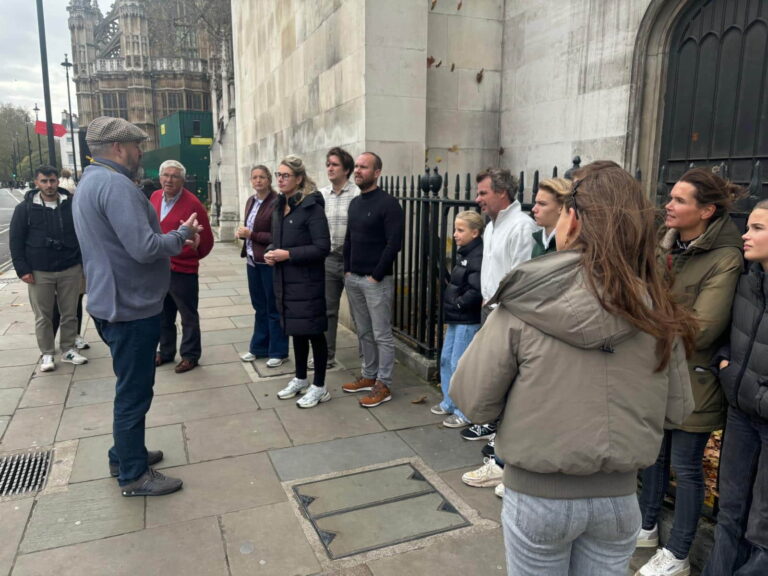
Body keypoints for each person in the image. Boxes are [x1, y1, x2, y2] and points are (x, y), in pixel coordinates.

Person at [450, 161, 696, 576]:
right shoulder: (656, 309)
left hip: (538, 495)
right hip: (618, 498)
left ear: (574, 219)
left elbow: (473, 399)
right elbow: (677, 410)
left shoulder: (526, 301)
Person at [73, 116, 201, 497]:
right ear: (117, 149)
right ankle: (133, 474)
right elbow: (145, 248)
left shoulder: (90, 181)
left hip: (111, 302)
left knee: (129, 387)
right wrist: (181, 235)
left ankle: (124, 454)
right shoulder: (116, 186)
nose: (139, 151)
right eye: (135, 145)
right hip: (130, 307)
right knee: (134, 393)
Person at [637, 168, 744, 576]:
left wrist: (648, 320)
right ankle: (646, 528)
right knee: (653, 457)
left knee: (685, 466)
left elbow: (701, 328)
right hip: (660, 372)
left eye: (680, 200)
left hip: (696, 378)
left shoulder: (725, 257)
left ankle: (679, 553)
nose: (668, 204)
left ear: (706, 211)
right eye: (671, 197)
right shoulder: (667, 247)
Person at [702, 199, 768, 576]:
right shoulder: (748, 280)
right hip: (741, 413)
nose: (745, 234)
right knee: (729, 512)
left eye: (758, 228)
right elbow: (732, 333)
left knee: (762, 527)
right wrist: (727, 364)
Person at [459, 167, 536, 443]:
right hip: (488, 308)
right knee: (491, 373)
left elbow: (522, 275)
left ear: (502, 193)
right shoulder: (491, 226)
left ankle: (503, 437)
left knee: (508, 375)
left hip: (509, 313)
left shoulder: (523, 226)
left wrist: (503, 307)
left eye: (483, 193)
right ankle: (491, 425)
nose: (477, 199)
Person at [10, 165, 88, 372]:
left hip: (69, 267)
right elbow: (16, 241)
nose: (49, 185)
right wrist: (22, 269)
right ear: (36, 182)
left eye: (52, 180)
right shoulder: (25, 209)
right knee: (43, 315)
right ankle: (47, 353)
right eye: (44, 181)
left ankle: (68, 348)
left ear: (58, 181)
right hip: (39, 270)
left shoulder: (71, 205)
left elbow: (83, 235)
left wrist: (82, 263)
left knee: (70, 312)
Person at [341, 152, 404, 408]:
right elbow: (349, 238)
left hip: (375, 281)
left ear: (377, 172)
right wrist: (347, 269)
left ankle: (384, 383)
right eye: (356, 166)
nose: (357, 171)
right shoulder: (355, 203)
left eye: (363, 167)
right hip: (353, 278)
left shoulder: (389, 204)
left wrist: (376, 275)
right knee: (364, 332)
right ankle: (369, 376)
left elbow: (394, 244)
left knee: (381, 334)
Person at [268, 155, 332, 408]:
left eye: (286, 175)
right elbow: (281, 241)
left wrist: (289, 255)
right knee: (297, 332)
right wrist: (272, 251)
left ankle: (320, 386)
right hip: (285, 281)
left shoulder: (311, 208)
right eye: (279, 175)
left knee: (314, 333)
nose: (281, 179)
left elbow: (322, 247)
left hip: (307, 282)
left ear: (299, 178)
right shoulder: (279, 205)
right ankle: (301, 378)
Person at [150, 160, 214, 373]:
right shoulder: (155, 197)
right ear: (160, 178)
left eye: (174, 176)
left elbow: (206, 241)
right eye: (165, 175)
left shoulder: (192, 204)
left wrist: (194, 252)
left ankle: (190, 355)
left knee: (188, 315)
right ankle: (165, 351)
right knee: (162, 314)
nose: (169, 180)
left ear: (182, 180)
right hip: (159, 267)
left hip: (183, 270)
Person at [431, 211, 484, 428]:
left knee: (459, 364)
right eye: (455, 229)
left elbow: (476, 288)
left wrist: (460, 303)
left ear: (475, 232)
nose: (455, 234)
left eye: (460, 230)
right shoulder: (465, 253)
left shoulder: (477, 255)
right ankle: (449, 401)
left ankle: (465, 411)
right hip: (456, 317)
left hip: (466, 319)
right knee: (446, 359)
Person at [236, 165, 289, 367]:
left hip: (269, 262)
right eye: (254, 177)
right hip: (252, 261)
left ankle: (278, 351)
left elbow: (278, 235)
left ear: (269, 180)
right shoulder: (251, 201)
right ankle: (259, 348)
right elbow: (250, 227)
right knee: (259, 307)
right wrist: (242, 234)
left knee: (274, 307)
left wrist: (252, 235)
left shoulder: (277, 202)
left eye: (262, 177)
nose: (258, 181)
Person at [315, 146, 359, 369]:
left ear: (347, 169)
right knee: (327, 311)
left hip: (353, 260)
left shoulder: (357, 194)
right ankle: (327, 356)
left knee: (360, 314)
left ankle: (367, 361)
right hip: (329, 259)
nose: (330, 168)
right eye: (328, 164)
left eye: (335, 165)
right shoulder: (321, 195)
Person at [530, 178, 571, 257]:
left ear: (562, 207)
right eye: (536, 203)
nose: (534, 209)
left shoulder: (569, 246)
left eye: (542, 204)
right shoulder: (538, 244)